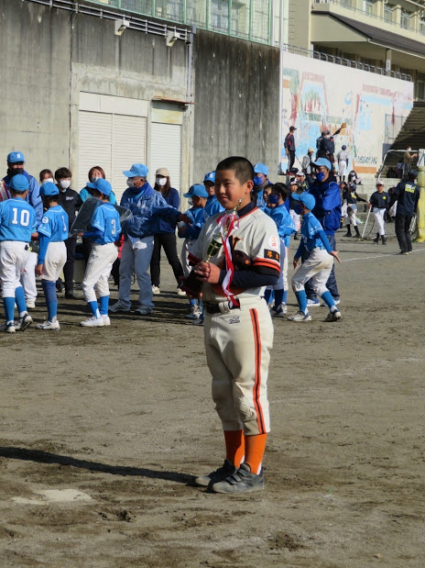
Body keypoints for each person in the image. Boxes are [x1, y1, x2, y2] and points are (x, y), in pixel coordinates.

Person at [191, 156, 281, 494]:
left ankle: (253, 470)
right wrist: (196, 277)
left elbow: (269, 274)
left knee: (248, 395)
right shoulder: (215, 221)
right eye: (217, 183)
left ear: (248, 186)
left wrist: (222, 275)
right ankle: (232, 464)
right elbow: (203, 261)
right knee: (224, 395)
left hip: (245, 314)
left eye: (228, 183)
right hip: (213, 313)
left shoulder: (261, 224)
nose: (220, 189)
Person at [109, 163, 167, 315]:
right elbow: (122, 215)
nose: (129, 180)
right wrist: (119, 235)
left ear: (141, 179)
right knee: (124, 270)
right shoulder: (127, 193)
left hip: (145, 238)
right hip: (128, 237)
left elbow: (166, 212)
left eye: (132, 177)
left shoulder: (154, 196)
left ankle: (146, 304)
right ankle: (123, 302)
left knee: (141, 272)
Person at [288, 192, 341, 323]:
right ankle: (334, 309)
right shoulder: (306, 219)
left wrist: (330, 250)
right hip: (325, 257)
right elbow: (303, 241)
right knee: (319, 285)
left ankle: (303, 313)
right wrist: (296, 256)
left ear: (304, 205)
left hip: (320, 254)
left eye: (298, 202)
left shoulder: (311, 219)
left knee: (296, 281)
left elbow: (321, 233)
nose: (296, 204)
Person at [3, 152, 43, 309]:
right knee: (11, 271)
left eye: (21, 163)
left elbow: (38, 208)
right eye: (15, 164)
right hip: (9, 235)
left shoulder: (31, 181)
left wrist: (35, 231)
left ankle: (30, 298)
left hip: (30, 233)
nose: (18, 166)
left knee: (29, 266)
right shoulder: (3, 183)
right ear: (9, 165)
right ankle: (12, 298)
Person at [79, 178, 121, 326]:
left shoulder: (99, 209)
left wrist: (83, 234)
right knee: (102, 279)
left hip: (101, 249)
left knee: (87, 284)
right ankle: (104, 315)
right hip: (112, 249)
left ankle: (96, 316)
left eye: (94, 191)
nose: (92, 193)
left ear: (100, 193)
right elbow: (117, 233)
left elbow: (98, 232)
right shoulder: (114, 210)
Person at [0, 174, 37, 333]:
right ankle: (23, 313)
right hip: (25, 248)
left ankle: (9, 322)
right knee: (15, 280)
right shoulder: (30, 209)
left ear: (9, 189)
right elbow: (33, 232)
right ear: (27, 191)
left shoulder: (4, 205)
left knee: (7, 283)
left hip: (7, 245)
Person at [305, 158, 341, 307]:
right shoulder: (314, 186)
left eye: (320, 169)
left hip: (326, 229)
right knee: (307, 262)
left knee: (327, 263)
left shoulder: (333, 187)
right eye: (316, 169)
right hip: (312, 228)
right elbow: (303, 202)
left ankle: (333, 295)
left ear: (327, 170)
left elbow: (326, 205)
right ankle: (311, 296)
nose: (317, 172)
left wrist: (314, 202)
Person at [35, 182, 68, 330]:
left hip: (52, 248)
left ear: (43, 197)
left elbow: (44, 239)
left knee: (48, 284)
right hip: (62, 247)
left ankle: (52, 320)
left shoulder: (48, 215)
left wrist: (40, 261)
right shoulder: (63, 211)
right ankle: (52, 318)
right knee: (52, 282)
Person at [150, 167, 184, 295]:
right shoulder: (152, 192)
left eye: (163, 177)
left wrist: (160, 210)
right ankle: (155, 284)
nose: (160, 179)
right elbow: (150, 210)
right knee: (154, 259)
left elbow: (173, 211)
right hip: (154, 230)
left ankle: (181, 284)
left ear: (167, 178)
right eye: (158, 176)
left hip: (168, 230)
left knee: (173, 258)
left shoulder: (173, 193)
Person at [263, 183, 295, 317]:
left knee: (274, 275)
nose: (269, 196)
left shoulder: (281, 212)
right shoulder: (275, 210)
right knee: (273, 276)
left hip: (277, 243)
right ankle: (276, 307)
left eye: (272, 193)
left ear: (279, 195)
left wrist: (276, 232)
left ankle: (274, 306)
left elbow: (291, 227)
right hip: (274, 243)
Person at [178, 184, 209, 323]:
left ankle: (201, 308)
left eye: (193, 198)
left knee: (201, 277)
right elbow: (181, 232)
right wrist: (183, 227)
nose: (191, 201)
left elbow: (198, 231)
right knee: (188, 276)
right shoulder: (189, 212)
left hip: (201, 245)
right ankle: (194, 307)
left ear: (199, 198)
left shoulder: (206, 211)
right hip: (189, 244)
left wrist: (188, 229)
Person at [55, 167, 83, 298]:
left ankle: (69, 288)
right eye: (63, 179)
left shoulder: (74, 194)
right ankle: (56, 281)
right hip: (56, 231)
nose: (66, 181)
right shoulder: (52, 192)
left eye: (68, 179)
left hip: (71, 231)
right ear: (57, 180)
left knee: (70, 259)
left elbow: (82, 210)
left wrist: (80, 227)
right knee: (55, 258)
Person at [390, 171, 420, 255]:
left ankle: (404, 249)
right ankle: (409, 248)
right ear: (415, 178)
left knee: (399, 230)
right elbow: (416, 200)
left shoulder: (402, 185)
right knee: (406, 230)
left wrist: (389, 206)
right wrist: (414, 211)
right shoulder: (416, 188)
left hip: (402, 210)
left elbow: (395, 196)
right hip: (410, 211)